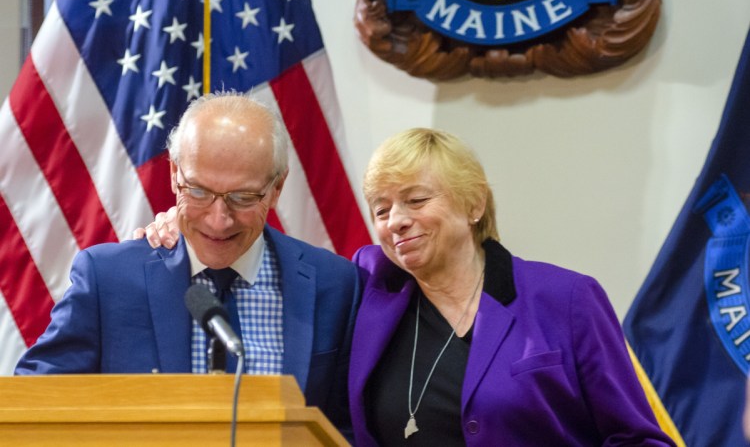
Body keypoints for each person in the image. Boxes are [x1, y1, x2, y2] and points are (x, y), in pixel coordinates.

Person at [138, 127, 676, 446]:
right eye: (382, 208)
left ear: (474, 204)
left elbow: (640, 438)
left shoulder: (566, 300)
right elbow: (261, 248)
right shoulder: (367, 285)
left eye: (416, 201)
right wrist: (180, 226)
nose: (396, 220)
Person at [14, 92, 360, 436]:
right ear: (174, 173)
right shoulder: (108, 279)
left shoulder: (334, 284)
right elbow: (31, 406)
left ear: (277, 187)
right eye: (198, 192)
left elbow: (348, 429)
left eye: (242, 198)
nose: (218, 220)